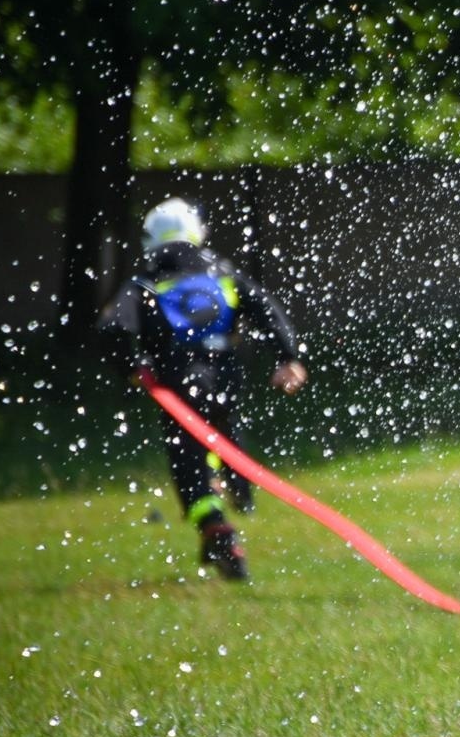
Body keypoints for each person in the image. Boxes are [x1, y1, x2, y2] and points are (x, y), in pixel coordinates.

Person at [97, 197, 307, 581]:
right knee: (222, 428)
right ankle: (238, 484)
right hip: (227, 374)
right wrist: (287, 357)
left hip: (179, 381)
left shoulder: (146, 282)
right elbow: (267, 309)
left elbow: (112, 329)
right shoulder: (222, 272)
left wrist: (132, 368)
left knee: (188, 456)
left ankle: (217, 529)